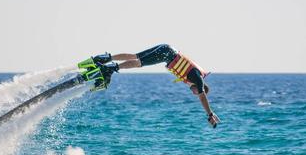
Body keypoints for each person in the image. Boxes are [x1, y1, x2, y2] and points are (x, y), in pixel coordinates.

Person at [92, 44, 220, 128]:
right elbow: (203, 97)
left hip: (167, 51)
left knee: (136, 57)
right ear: (200, 88)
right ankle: (110, 68)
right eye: (196, 92)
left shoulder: (192, 79)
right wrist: (210, 114)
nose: (194, 93)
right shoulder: (198, 79)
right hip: (167, 53)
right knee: (139, 62)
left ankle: (105, 58)